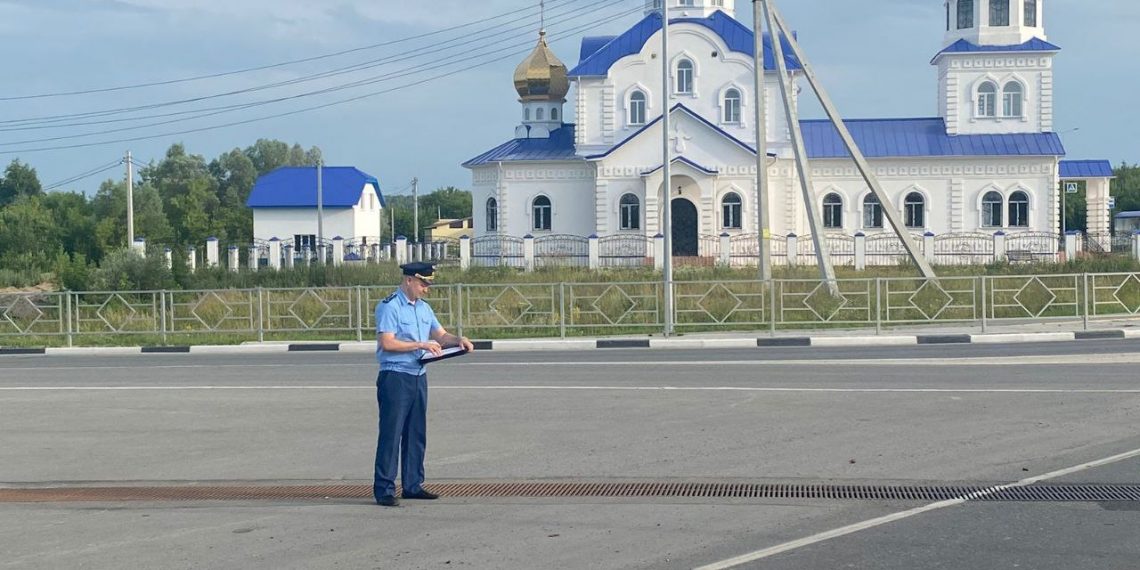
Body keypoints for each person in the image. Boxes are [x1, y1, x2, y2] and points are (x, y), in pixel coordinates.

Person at [373, 261, 475, 507]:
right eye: (422, 284)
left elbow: (440, 336)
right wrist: (420, 345)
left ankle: (412, 485)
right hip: (396, 376)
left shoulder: (424, 308)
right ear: (409, 280)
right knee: (392, 434)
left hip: (418, 375)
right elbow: (387, 343)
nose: (425, 289)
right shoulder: (389, 307)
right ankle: (384, 489)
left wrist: (458, 340)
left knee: (416, 433)